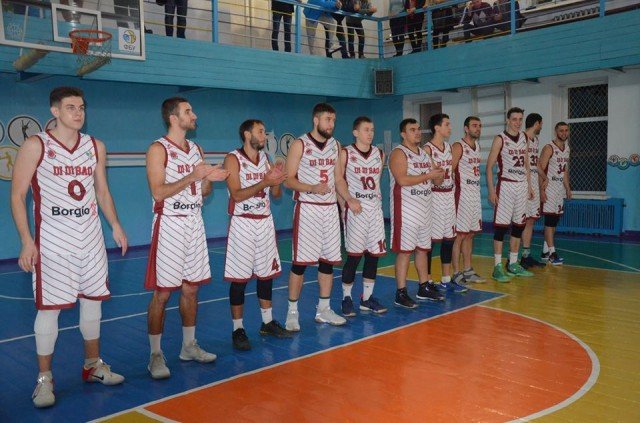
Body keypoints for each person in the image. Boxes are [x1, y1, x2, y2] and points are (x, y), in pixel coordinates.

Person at [11, 86, 128, 408]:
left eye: (82, 107)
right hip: (53, 241)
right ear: (55, 111)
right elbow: (18, 195)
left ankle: (93, 366)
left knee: (93, 303)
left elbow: (102, 191)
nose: (78, 113)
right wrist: (26, 241)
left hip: (90, 238)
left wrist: (115, 225)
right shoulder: (36, 145)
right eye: (71, 107)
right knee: (49, 309)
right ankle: (44, 379)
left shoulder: (95, 146)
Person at [144, 97, 229, 379]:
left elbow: (202, 191)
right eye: (188, 111)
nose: (194, 115)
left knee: (191, 289)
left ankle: (189, 346)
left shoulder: (196, 149)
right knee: (163, 293)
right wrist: (193, 176)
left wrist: (209, 179)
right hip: (169, 224)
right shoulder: (158, 149)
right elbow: (158, 192)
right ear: (173, 118)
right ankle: (155, 354)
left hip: (194, 222)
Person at [284, 103, 360, 331]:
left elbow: (338, 179)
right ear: (316, 120)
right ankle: (292, 312)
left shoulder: (335, 145)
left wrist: (348, 198)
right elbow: (288, 179)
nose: (332, 124)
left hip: (329, 210)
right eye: (328, 119)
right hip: (308, 208)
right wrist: (311, 188)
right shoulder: (300, 144)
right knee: (300, 264)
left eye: (334, 120)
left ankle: (324, 310)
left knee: (328, 262)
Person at [223, 119, 292, 351]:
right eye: (260, 132)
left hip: (264, 222)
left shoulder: (265, 158)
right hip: (243, 223)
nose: (264, 136)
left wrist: (277, 178)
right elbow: (236, 195)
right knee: (239, 279)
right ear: (247, 134)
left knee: (266, 275)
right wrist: (265, 181)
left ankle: (267, 322)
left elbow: (276, 194)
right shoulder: (233, 159)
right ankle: (238, 329)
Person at [389, 118, 445, 308]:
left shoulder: (424, 154)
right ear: (403, 134)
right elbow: (402, 180)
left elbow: (436, 181)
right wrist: (429, 175)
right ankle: (401, 292)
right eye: (412, 129)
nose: (418, 132)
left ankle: (423, 286)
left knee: (422, 249)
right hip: (406, 210)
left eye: (419, 129)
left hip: (425, 208)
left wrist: (440, 174)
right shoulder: (398, 153)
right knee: (405, 252)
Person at [339, 116, 387, 317]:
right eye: (366, 129)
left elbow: (377, 181)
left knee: (373, 256)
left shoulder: (379, 154)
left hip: (375, 210)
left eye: (372, 130)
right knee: (354, 257)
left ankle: (367, 299)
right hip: (356, 211)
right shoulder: (345, 153)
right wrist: (348, 200)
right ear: (355, 132)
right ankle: (346, 298)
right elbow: (338, 180)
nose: (370, 133)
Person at [486, 107, 535, 282]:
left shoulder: (524, 137)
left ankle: (513, 263)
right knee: (501, 228)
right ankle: (497, 267)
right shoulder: (500, 139)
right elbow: (489, 167)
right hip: (506, 186)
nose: (518, 122)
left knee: (519, 226)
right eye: (514, 119)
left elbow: (527, 164)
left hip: (521, 186)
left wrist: (529, 186)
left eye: (520, 119)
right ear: (508, 120)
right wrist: (491, 190)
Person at [424, 114, 467, 294]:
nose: (450, 128)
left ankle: (446, 279)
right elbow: (430, 177)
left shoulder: (449, 147)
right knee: (431, 242)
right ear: (437, 127)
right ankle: (426, 280)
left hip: (449, 195)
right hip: (434, 196)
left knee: (449, 239)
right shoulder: (427, 149)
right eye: (447, 124)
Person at [451, 116, 486, 284]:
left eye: (479, 126)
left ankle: (468, 270)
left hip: (474, 194)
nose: (477, 128)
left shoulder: (477, 146)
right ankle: (456, 272)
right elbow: (449, 170)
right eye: (474, 125)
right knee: (459, 235)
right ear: (466, 128)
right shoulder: (458, 146)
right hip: (462, 195)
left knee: (470, 234)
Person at [538, 122, 572, 265]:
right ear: (556, 132)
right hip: (549, 188)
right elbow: (539, 169)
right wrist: (541, 190)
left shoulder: (567, 149)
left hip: (559, 189)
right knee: (549, 221)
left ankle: (545, 251)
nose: (564, 133)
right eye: (561, 130)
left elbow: (564, 171)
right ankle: (552, 254)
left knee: (555, 222)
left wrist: (568, 188)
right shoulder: (549, 148)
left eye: (566, 130)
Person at [520, 113, 546, 269]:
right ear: (537, 123)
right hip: (524, 183)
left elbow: (535, 164)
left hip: (534, 183)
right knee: (520, 221)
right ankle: (512, 258)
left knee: (530, 220)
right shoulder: (522, 138)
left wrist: (544, 177)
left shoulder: (535, 140)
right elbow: (524, 164)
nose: (541, 127)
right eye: (541, 124)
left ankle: (526, 255)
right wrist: (529, 185)